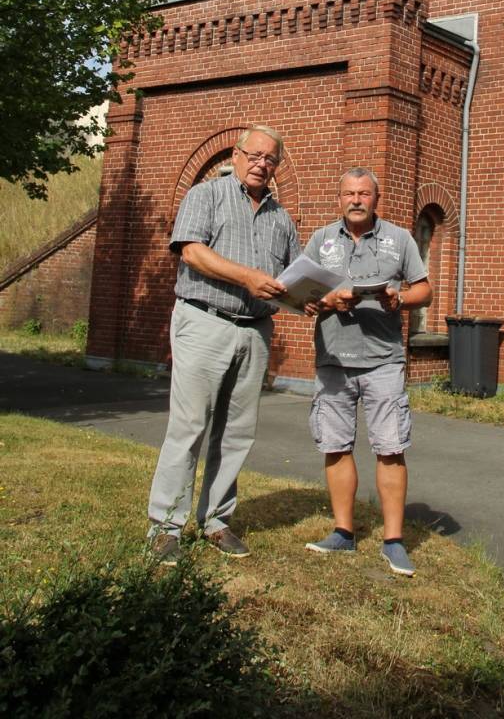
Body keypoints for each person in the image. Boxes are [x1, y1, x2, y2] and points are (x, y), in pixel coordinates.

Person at [147, 125, 300, 565]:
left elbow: (290, 276)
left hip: (255, 330)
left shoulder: (281, 219)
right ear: (236, 155)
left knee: (236, 432)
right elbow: (192, 252)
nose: (262, 164)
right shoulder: (207, 196)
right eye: (254, 155)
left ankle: (215, 520)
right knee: (190, 425)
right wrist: (247, 276)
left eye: (271, 159)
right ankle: (165, 526)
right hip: (204, 321)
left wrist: (311, 298)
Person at [303, 167, 432, 576]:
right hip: (333, 361)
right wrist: (328, 300)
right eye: (348, 193)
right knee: (335, 445)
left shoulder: (400, 239)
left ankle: (393, 541)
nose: (356, 200)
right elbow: (301, 293)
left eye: (364, 193)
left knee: (390, 448)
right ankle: (343, 532)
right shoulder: (321, 240)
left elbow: (424, 289)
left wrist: (400, 299)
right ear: (338, 199)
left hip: (384, 361)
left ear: (376, 199)